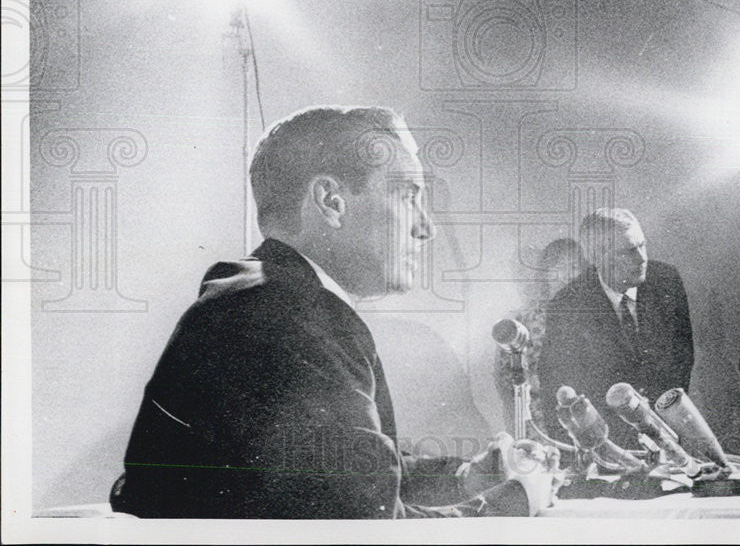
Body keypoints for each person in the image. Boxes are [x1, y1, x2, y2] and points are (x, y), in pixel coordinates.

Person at [111, 105, 560, 518]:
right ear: (331, 201)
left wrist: (469, 478)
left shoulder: (262, 296)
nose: (427, 227)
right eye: (408, 196)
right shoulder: (296, 317)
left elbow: (348, 476)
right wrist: (517, 501)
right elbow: (367, 530)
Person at [537, 208, 694, 450]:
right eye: (629, 251)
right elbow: (556, 390)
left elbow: (682, 358)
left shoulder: (666, 280)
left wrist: (665, 423)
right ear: (596, 256)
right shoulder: (567, 306)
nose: (642, 258)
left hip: (671, 434)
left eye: (643, 245)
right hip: (611, 447)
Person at [493, 238, 586, 435]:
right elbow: (506, 381)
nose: (568, 275)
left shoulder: (591, 316)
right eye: (560, 267)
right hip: (540, 420)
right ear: (545, 273)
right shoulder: (522, 320)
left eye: (575, 266)